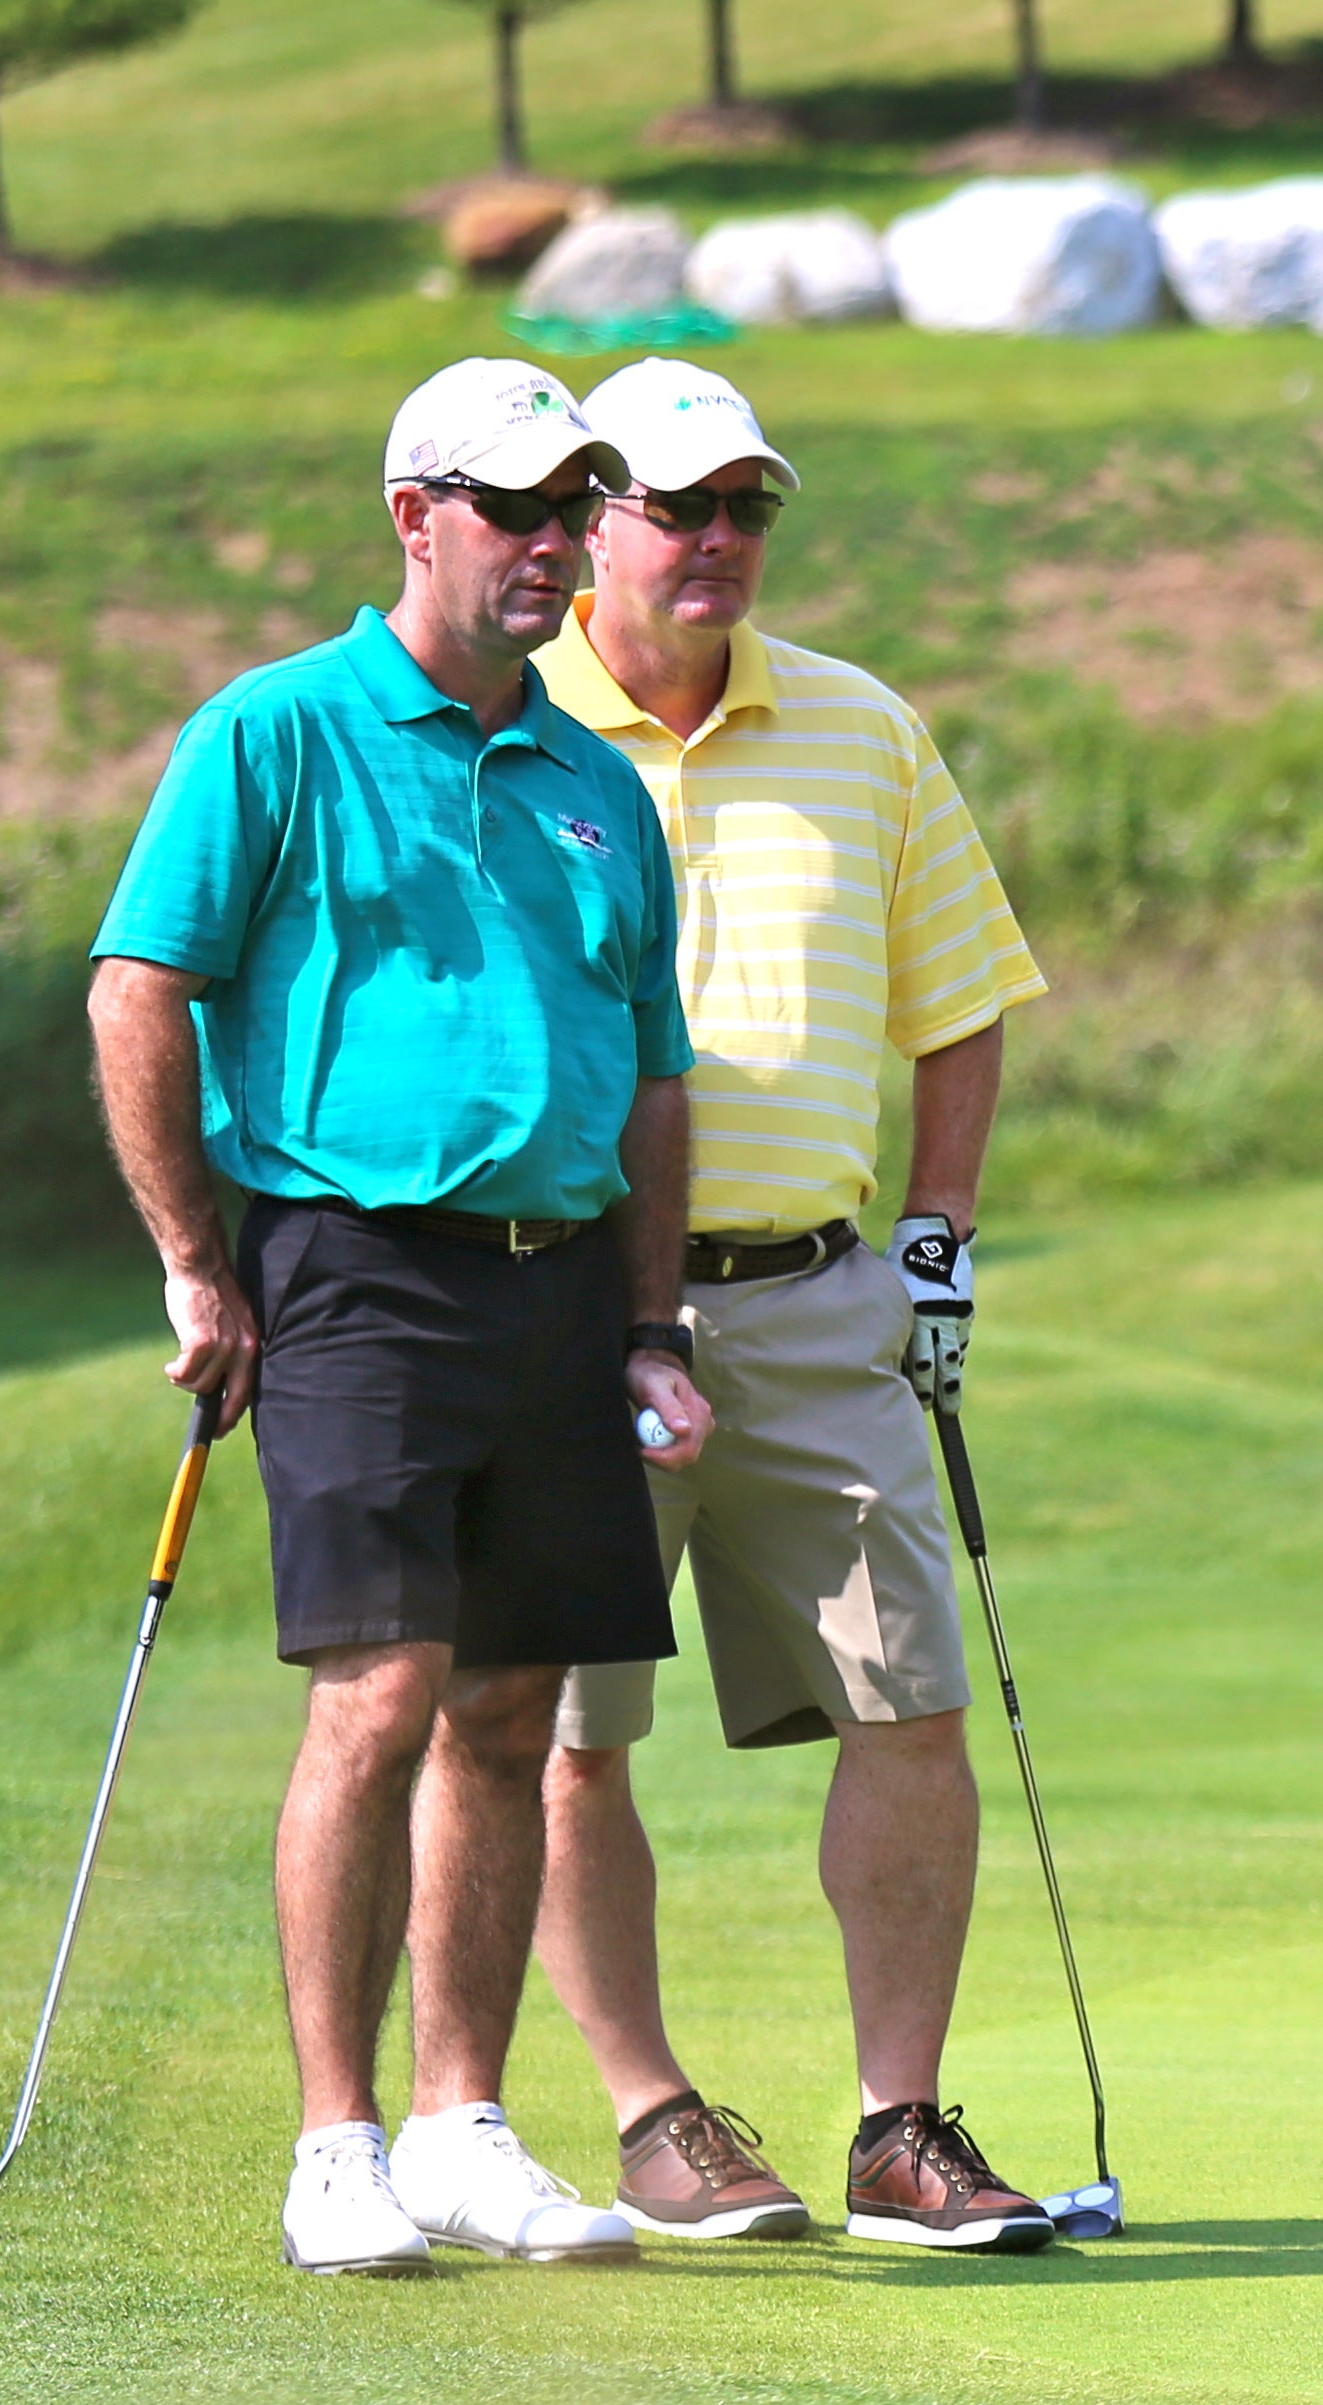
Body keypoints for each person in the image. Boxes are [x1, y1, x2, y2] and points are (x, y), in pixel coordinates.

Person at [89, 359, 711, 2278]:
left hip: (559, 1284)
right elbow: (140, 989)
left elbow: (656, 1073)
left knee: (512, 1710)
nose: (551, 544)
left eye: (571, 505)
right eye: (516, 507)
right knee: (377, 1693)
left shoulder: (597, 781)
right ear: (414, 515)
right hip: (353, 1264)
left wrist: (652, 1320)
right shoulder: (275, 730)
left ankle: (462, 2122)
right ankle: (333, 2142)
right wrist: (202, 1257)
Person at [525, 359, 1063, 2256]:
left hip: (820, 1294)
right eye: (680, 508)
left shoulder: (861, 725)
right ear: (590, 520)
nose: (720, 541)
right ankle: (651, 2110)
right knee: (571, 1730)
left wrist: (941, 1228)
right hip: (576, 1310)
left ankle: (897, 2124)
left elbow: (961, 996)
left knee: (910, 1700)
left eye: (749, 506)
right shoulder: (504, 727)